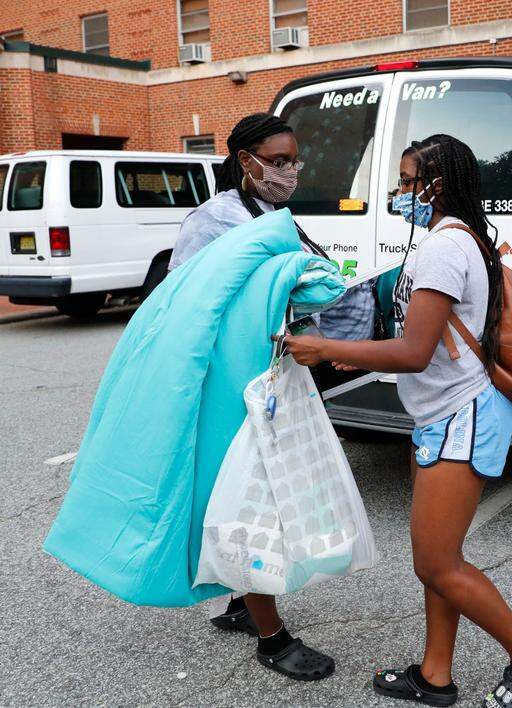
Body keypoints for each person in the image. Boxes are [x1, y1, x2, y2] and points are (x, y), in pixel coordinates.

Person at [285, 134, 512, 707]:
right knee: (439, 562)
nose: (400, 192)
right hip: (439, 414)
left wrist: (327, 346)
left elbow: (412, 350)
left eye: (408, 181)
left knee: (437, 563)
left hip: (462, 415)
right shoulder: (458, 239)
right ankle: (436, 676)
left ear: (437, 184)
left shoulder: (444, 248)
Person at [169, 113, 378, 682]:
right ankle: (271, 635)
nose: (290, 171)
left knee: (259, 492)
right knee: (256, 498)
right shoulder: (213, 221)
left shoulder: (273, 216)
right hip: (237, 387)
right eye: (279, 161)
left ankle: (240, 600)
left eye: (294, 161)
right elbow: (185, 304)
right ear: (246, 161)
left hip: (276, 376)